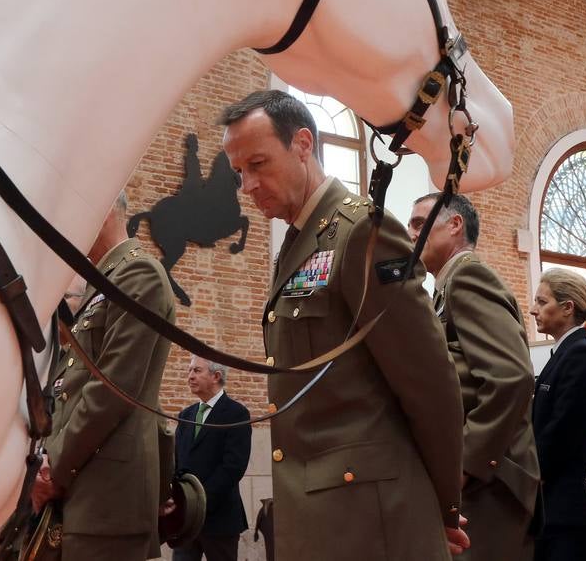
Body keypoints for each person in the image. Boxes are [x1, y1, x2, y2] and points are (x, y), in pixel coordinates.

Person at [219, 89, 467, 560]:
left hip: (372, 520)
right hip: (321, 517)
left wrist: (443, 506)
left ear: (303, 144)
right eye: (239, 173)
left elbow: (430, 385)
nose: (247, 185)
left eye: (258, 163)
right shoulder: (298, 244)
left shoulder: (361, 233)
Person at [29, 191, 176, 561]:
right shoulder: (103, 281)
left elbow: (111, 390)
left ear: (104, 205)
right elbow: (71, 387)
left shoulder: (139, 273)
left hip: (109, 494)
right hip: (85, 484)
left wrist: (54, 470)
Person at [408, 192, 540, 561]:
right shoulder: (444, 289)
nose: (409, 232)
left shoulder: (467, 276)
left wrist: (465, 463)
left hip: (489, 480)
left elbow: (511, 376)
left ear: (454, 225)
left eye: (420, 223)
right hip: (481, 476)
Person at [530, 268, 586, 561]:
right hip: (555, 506)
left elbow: (564, 430)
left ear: (567, 307)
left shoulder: (581, 355)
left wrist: (533, 473)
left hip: (569, 509)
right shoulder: (563, 354)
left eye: (542, 301)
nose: (533, 309)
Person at [172, 357, 252, 561]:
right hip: (186, 520)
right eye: (189, 370)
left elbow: (233, 467)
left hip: (220, 518)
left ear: (216, 376)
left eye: (197, 371)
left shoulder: (237, 413)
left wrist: (200, 500)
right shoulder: (185, 415)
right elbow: (177, 463)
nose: (190, 376)